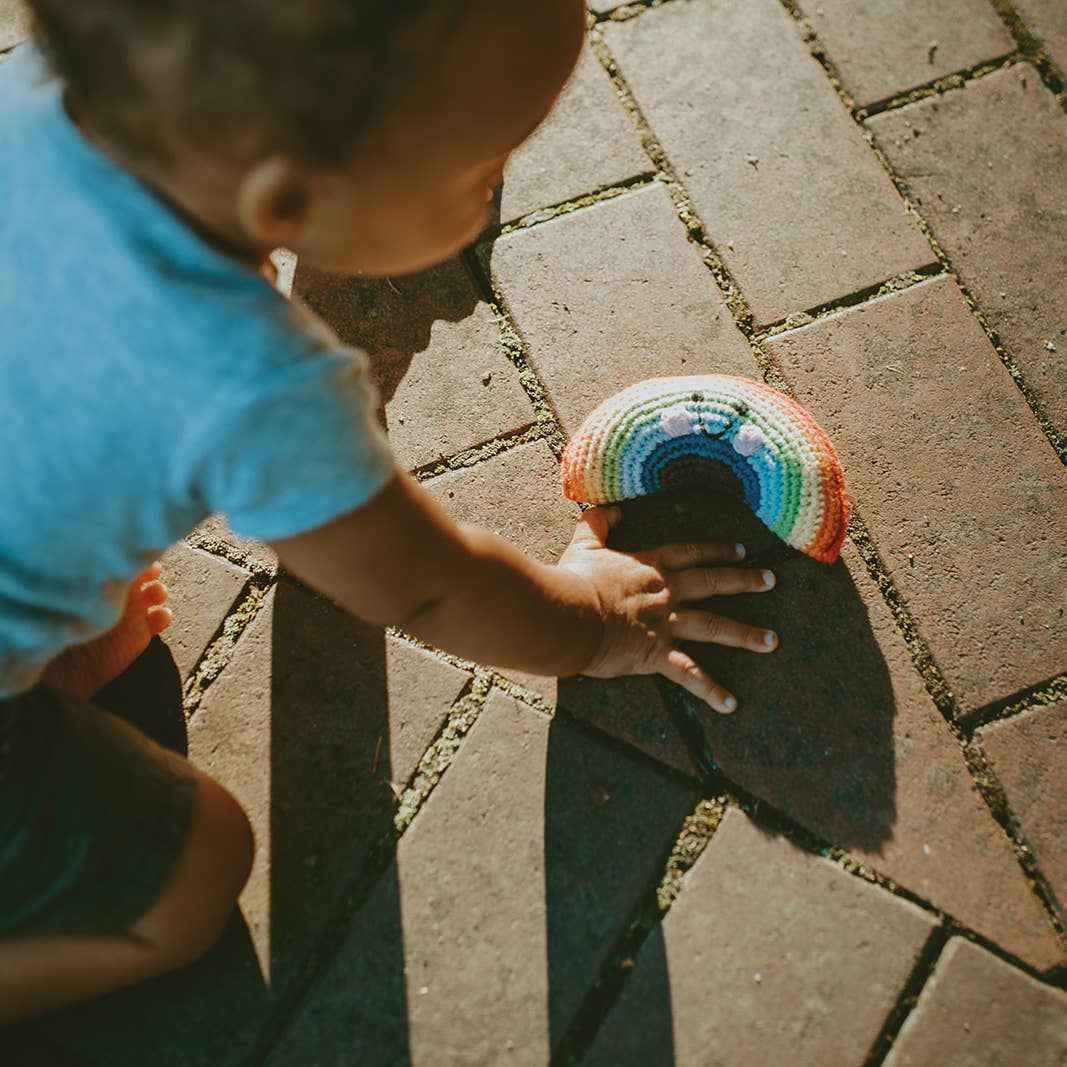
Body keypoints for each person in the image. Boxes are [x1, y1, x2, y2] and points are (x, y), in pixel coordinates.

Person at [0, 0, 778, 1022]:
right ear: (282, 194)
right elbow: (427, 583)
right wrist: (593, 621)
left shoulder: (38, 93)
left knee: (89, 616)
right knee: (199, 867)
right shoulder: (253, 386)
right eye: (476, 170)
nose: (491, 197)